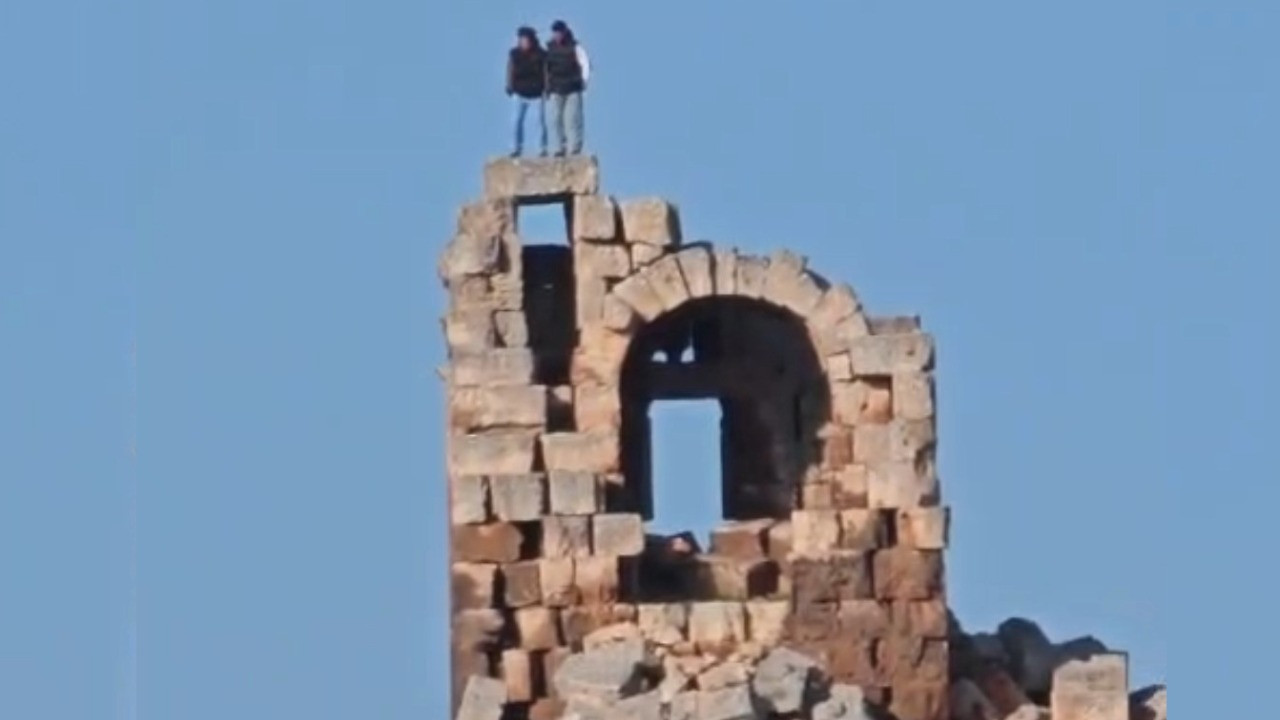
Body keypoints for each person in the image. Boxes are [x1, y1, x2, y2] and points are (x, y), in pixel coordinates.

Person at [544, 20, 591, 156]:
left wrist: (584, 82)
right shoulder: (549, 48)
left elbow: (585, 64)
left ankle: (575, 146)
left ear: (564, 32)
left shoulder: (576, 47)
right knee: (555, 120)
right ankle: (560, 147)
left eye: (559, 32)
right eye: (555, 33)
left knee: (572, 119)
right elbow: (546, 69)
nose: (557, 35)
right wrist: (546, 86)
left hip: (573, 88)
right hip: (556, 88)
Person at [506, 26, 547, 157]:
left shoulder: (541, 54)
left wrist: (547, 88)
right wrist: (509, 85)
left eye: (526, 40)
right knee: (516, 121)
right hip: (519, 93)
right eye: (521, 40)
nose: (523, 42)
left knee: (539, 122)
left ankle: (542, 148)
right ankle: (515, 148)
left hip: (536, 93)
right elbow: (510, 70)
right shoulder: (514, 54)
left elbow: (546, 73)